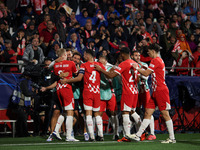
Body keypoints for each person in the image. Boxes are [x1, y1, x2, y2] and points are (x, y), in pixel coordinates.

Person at [127, 44, 176, 144]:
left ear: (153, 51)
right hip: (155, 91)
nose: (148, 53)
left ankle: (172, 138)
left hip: (161, 91)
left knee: (165, 114)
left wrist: (136, 67)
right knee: (147, 113)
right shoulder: (158, 60)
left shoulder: (156, 60)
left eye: (149, 51)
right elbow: (148, 72)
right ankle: (138, 135)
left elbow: (145, 74)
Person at [94, 47, 139, 140]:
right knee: (133, 112)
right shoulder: (135, 63)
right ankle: (141, 131)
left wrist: (100, 69)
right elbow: (138, 78)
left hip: (127, 91)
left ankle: (127, 135)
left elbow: (111, 75)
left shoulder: (124, 64)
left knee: (125, 113)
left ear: (122, 54)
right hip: (135, 91)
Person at [61, 49, 105, 141]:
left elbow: (79, 78)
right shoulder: (99, 65)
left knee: (88, 114)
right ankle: (100, 135)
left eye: (84, 55)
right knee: (97, 114)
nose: (83, 57)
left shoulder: (84, 65)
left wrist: (67, 81)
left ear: (88, 55)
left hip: (87, 92)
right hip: (97, 92)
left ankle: (92, 136)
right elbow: (106, 74)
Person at [132, 51, 156, 141]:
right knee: (136, 111)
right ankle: (141, 132)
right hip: (136, 91)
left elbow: (146, 77)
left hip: (144, 90)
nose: (138, 57)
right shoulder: (131, 64)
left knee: (148, 111)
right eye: (136, 55)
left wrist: (139, 73)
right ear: (132, 56)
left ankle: (152, 133)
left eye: (139, 55)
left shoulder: (144, 64)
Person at [98, 55, 119, 140]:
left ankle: (116, 133)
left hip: (110, 91)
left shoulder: (111, 67)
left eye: (100, 59)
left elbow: (109, 77)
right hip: (100, 92)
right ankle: (100, 135)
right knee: (99, 113)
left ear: (105, 60)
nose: (99, 60)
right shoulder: (96, 66)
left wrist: (102, 70)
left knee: (113, 113)